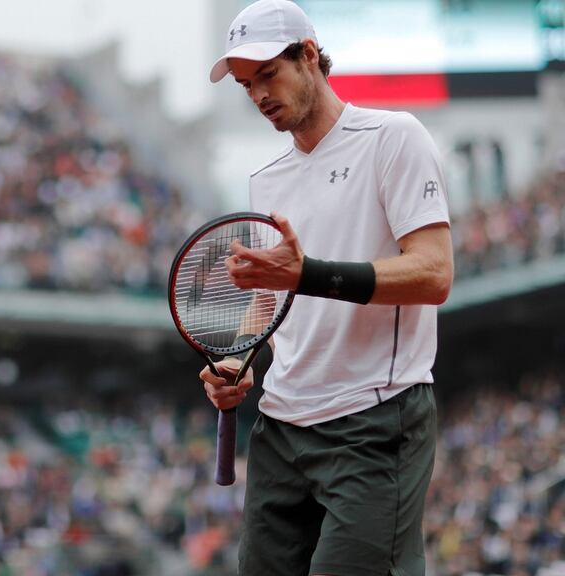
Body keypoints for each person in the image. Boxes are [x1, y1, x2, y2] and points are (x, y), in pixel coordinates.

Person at [198, 1, 454, 574]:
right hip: (281, 429)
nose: (259, 94)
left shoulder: (394, 137)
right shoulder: (266, 180)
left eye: (269, 73)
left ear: (309, 55)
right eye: (246, 85)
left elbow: (434, 275)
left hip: (375, 419)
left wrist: (306, 273)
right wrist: (237, 359)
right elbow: (270, 300)